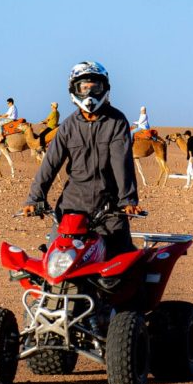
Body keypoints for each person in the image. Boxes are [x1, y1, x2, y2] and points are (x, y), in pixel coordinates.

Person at [21, 61, 140, 257]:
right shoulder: (68, 126)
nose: (90, 94)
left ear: (105, 89)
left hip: (109, 208)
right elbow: (50, 164)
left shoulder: (117, 122)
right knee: (54, 261)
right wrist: (35, 198)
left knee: (121, 265)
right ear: (74, 90)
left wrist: (128, 200)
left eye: (96, 88)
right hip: (71, 207)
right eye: (84, 88)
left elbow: (122, 163)